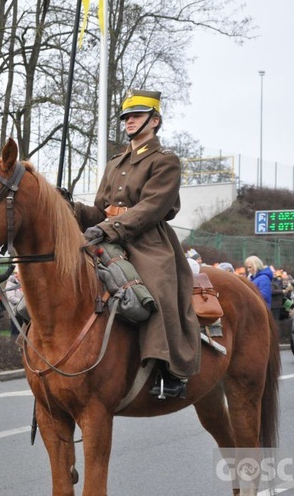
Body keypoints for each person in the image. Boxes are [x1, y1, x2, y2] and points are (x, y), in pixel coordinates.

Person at [74, 89, 200, 399]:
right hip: (106, 234)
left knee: (156, 288)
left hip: (147, 241)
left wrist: (108, 227)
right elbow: (99, 209)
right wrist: (72, 207)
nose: (129, 121)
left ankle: (169, 368)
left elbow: (151, 208)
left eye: (137, 115)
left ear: (155, 120)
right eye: (126, 117)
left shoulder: (165, 160)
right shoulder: (116, 161)